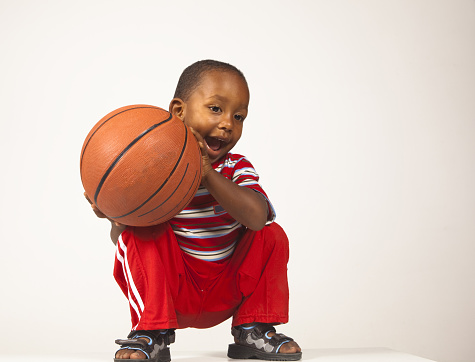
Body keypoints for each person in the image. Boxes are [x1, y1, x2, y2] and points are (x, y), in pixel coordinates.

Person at [87, 60, 302, 362]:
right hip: (175, 293)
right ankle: (151, 332)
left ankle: (253, 327)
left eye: (238, 116)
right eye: (215, 109)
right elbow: (127, 244)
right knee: (141, 232)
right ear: (179, 111)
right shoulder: (154, 170)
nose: (228, 123)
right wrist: (116, 214)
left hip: (228, 287)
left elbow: (255, 217)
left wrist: (207, 176)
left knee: (271, 233)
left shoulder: (235, 168)